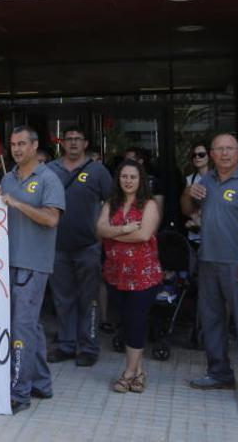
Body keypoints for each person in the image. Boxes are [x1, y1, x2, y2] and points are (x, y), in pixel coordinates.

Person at [181, 133, 238, 405]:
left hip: (237, 265)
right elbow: (187, 210)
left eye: (230, 148)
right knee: (211, 321)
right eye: (219, 149)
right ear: (212, 153)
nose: (224, 153)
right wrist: (187, 193)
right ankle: (219, 373)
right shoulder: (205, 180)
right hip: (208, 261)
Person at [0, 126, 65, 414]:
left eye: (22, 144)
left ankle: (20, 392)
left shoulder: (48, 179)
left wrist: (17, 203)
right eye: (12, 145)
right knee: (30, 326)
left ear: (34, 146)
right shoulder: (8, 178)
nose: (16, 149)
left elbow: (51, 219)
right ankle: (41, 383)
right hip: (8, 261)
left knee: (20, 327)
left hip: (33, 263)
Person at [46, 127, 113, 367]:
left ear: (85, 143)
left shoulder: (97, 170)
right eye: (69, 139)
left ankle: (88, 347)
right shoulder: (50, 170)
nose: (73, 143)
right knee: (63, 299)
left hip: (88, 247)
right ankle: (66, 344)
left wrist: (103, 232)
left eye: (78, 139)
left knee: (89, 300)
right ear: (62, 143)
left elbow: (111, 202)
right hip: (57, 246)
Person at [96, 159, 163, 394]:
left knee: (135, 320)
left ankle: (128, 373)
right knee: (128, 322)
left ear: (140, 180)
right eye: (124, 176)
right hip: (115, 274)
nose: (128, 181)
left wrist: (112, 235)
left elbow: (144, 235)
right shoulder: (111, 203)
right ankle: (140, 372)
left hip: (143, 276)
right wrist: (124, 230)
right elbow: (99, 229)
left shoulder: (149, 205)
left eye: (133, 177)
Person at [184, 140, 210, 243]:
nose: (197, 157)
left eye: (201, 154)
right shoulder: (190, 179)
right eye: (194, 155)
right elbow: (187, 207)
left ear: (209, 156)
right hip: (196, 234)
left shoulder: (218, 177)